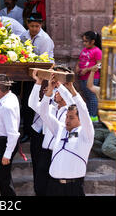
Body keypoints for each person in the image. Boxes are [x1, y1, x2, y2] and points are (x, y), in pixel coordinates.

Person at [39, 72, 94, 196]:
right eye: (66, 117)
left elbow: (83, 109)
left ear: (80, 119)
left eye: (71, 118)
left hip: (73, 188)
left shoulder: (86, 133)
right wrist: (51, 90)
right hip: (53, 186)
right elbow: (44, 113)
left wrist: (71, 89)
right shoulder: (60, 128)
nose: (67, 120)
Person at [29, 67, 74, 195]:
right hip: (45, 153)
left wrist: (60, 86)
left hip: (60, 153)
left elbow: (71, 101)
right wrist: (38, 82)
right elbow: (32, 104)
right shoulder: (50, 108)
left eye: (57, 90)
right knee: (39, 187)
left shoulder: (72, 111)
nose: (55, 92)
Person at [20, 12, 55, 143]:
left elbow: (44, 61)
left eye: (37, 26)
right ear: (27, 24)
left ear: (41, 25)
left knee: (37, 105)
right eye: (32, 25)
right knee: (26, 104)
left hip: (42, 76)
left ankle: (35, 134)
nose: (34, 28)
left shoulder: (45, 39)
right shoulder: (23, 35)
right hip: (28, 74)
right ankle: (27, 132)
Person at [87, 64, 116, 160]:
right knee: (88, 137)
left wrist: (110, 73)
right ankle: (109, 153)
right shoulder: (101, 92)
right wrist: (92, 71)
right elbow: (90, 86)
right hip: (106, 129)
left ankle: (108, 150)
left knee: (107, 148)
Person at [75, 31, 102, 123]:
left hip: (92, 78)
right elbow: (80, 60)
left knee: (92, 97)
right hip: (83, 77)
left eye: (86, 41)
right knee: (87, 96)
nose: (84, 43)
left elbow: (99, 65)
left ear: (93, 41)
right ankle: (90, 116)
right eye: (83, 41)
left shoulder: (97, 51)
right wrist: (77, 67)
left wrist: (87, 70)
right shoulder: (84, 50)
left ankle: (93, 117)